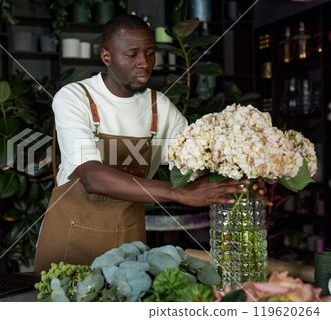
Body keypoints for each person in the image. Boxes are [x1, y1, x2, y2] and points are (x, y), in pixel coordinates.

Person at [33, 14, 265, 272]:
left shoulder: (160, 107)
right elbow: (92, 178)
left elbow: (199, 159)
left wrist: (241, 179)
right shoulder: (75, 97)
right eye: (132, 55)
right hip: (71, 242)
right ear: (106, 56)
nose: (144, 63)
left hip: (128, 247)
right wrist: (178, 193)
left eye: (150, 52)